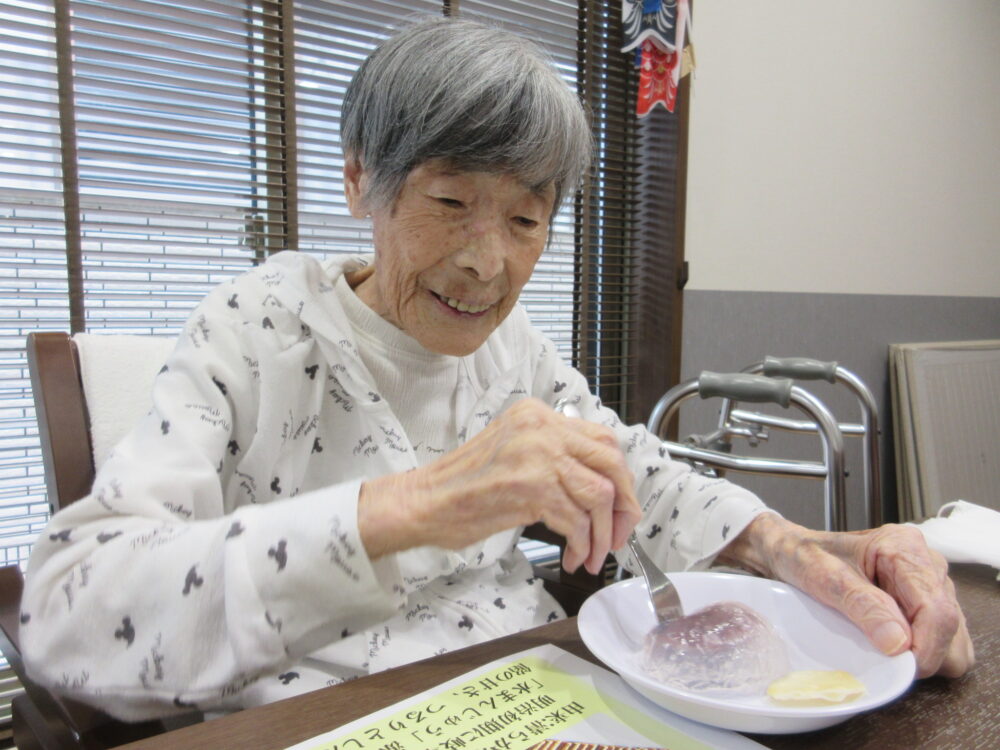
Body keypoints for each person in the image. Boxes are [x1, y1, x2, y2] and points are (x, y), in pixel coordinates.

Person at [21, 16, 972, 722]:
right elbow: (67, 614)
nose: (488, 263)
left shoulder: (512, 354)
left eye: (525, 220)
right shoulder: (257, 328)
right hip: (329, 719)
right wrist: (422, 502)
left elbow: (639, 473)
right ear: (361, 179)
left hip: (540, 701)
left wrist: (805, 552)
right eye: (448, 200)